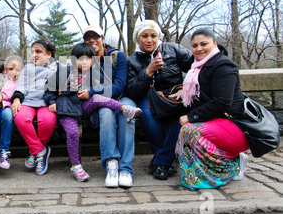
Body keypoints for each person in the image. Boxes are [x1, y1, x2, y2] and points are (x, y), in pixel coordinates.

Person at [44, 43, 142, 182]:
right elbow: (48, 89)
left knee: (96, 98)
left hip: (83, 109)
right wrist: (52, 101)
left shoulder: (95, 73)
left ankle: (125, 109)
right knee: (73, 133)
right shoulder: (64, 71)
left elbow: (105, 88)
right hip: (66, 110)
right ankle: (76, 165)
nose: (84, 62)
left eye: (88, 59)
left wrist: (91, 90)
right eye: (80, 59)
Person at [176, 28, 250, 190]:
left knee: (190, 130)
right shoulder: (197, 68)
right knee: (184, 129)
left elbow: (222, 102)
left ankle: (231, 166)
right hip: (218, 123)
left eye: (204, 44)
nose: (199, 48)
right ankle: (227, 159)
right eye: (194, 45)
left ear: (214, 44)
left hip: (236, 127)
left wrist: (191, 116)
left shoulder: (224, 65)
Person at [125, 20, 193, 180]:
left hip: (175, 96)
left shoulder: (173, 49)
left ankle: (160, 161)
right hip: (150, 98)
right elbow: (132, 91)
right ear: (137, 39)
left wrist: (186, 87)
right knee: (147, 115)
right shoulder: (132, 61)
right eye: (144, 36)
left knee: (183, 117)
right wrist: (147, 71)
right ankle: (165, 161)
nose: (149, 40)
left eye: (153, 35)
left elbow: (197, 67)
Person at [82, 25, 138, 188]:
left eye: (96, 36)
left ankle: (126, 168)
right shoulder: (83, 59)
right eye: (87, 37)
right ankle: (111, 164)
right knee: (106, 113)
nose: (92, 40)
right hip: (101, 103)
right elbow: (75, 83)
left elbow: (119, 85)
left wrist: (92, 91)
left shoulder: (116, 56)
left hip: (122, 98)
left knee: (127, 114)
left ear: (103, 39)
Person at [11, 39, 58, 176]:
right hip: (29, 101)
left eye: (38, 52)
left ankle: (34, 152)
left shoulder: (57, 67)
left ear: (48, 54)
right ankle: (41, 151)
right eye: (32, 52)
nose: (34, 55)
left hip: (47, 102)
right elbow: (21, 86)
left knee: (47, 121)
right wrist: (17, 98)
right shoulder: (28, 68)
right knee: (20, 117)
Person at [0, 56, 24, 169]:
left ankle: (4, 149)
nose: (14, 72)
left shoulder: (18, 82)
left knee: (8, 116)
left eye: (18, 70)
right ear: (6, 69)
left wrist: (2, 96)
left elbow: (12, 90)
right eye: (11, 68)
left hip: (8, 104)